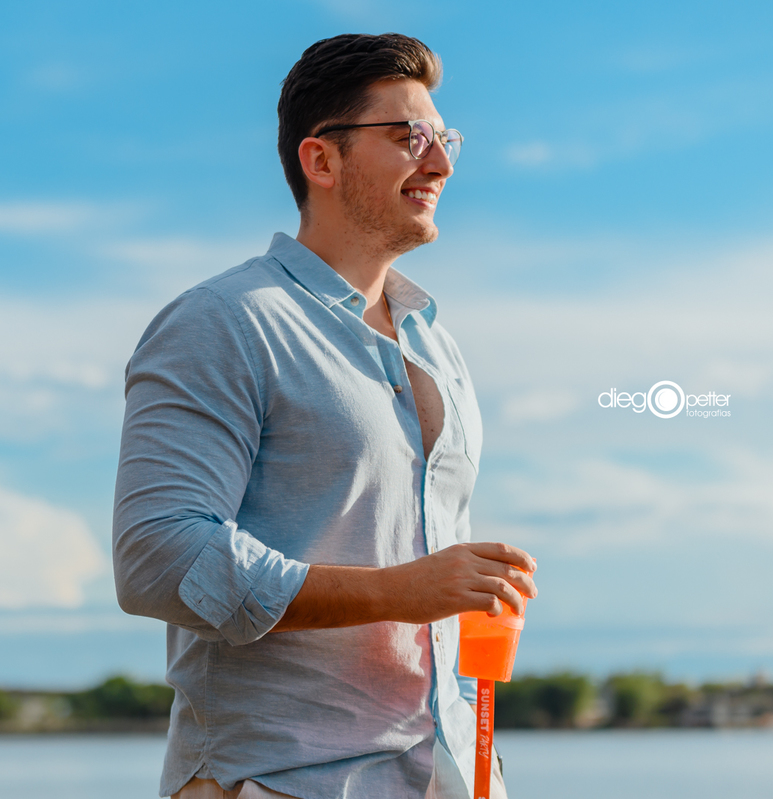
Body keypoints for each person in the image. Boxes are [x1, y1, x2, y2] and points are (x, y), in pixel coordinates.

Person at [113, 33, 537, 799]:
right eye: (410, 137)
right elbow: (158, 558)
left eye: (445, 139)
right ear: (322, 161)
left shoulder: (437, 344)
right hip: (283, 780)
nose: (438, 162)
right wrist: (399, 590)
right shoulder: (224, 320)